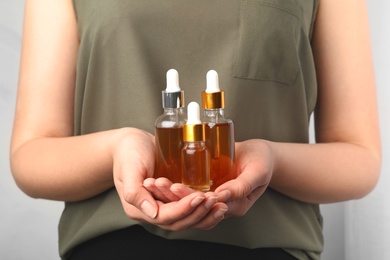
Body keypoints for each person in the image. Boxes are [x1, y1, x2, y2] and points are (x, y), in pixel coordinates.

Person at [10, 0, 381, 259]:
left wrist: (270, 158)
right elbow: (32, 154)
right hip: (110, 244)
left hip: (269, 247)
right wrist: (118, 148)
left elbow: (360, 156)